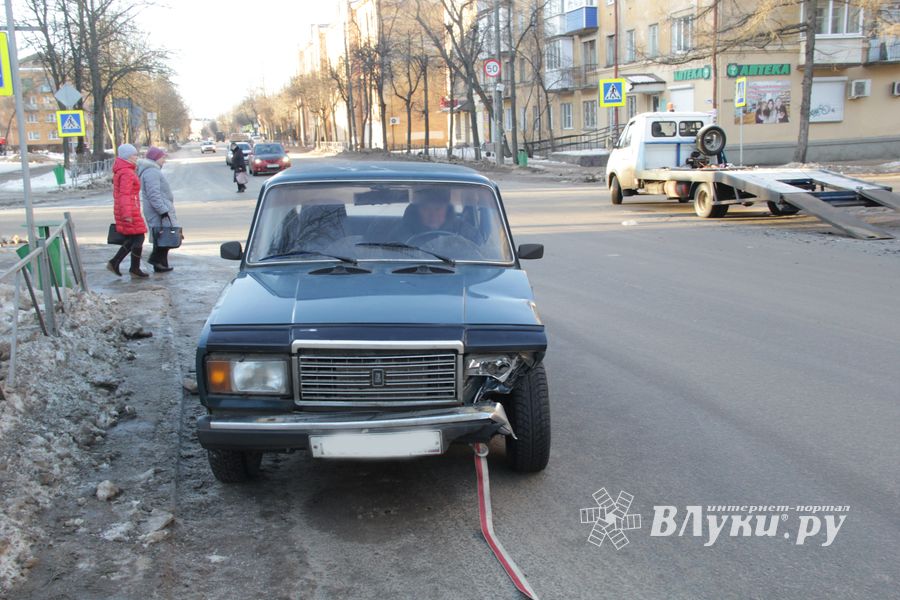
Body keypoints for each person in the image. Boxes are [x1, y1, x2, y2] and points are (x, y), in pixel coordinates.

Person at [108, 143, 149, 278]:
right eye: (134, 155)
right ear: (127, 156)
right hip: (129, 210)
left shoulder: (124, 170)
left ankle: (117, 263)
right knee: (138, 237)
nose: (136, 157)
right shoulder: (126, 172)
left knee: (133, 238)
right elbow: (124, 194)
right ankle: (132, 268)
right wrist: (127, 214)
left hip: (129, 208)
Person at [388, 186, 480, 243]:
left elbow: (481, 251)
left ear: (447, 211)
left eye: (438, 209)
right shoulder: (403, 232)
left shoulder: (462, 230)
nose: (433, 215)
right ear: (418, 212)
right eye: (426, 209)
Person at [138, 146, 178, 273]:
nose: (164, 161)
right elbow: (153, 194)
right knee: (163, 236)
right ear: (155, 158)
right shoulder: (151, 172)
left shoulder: (152, 170)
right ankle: (156, 260)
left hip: (160, 209)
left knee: (162, 236)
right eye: (162, 158)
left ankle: (161, 264)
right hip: (158, 210)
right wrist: (162, 210)